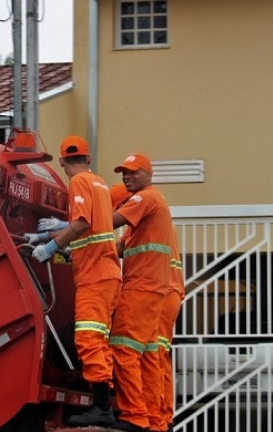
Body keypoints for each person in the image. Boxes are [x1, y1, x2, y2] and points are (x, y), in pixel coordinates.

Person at [29, 135, 122, 428]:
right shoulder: (101, 185)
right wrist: (48, 236)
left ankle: (102, 408)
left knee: (89, 339)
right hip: (106, 273)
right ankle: (103, 406)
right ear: (89, 159)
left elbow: (81, 224)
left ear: (62, 161)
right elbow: (93, 230)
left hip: (95, 276)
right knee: (97, 339)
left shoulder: (79, 183)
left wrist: (50, 248)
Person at [109, 154, 173, 432]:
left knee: (123, 348)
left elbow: (108, 221)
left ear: (148, 174)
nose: (126, 177)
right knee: (146, 354)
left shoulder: (145, 198)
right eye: (124, 173)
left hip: (141, 288)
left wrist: (71, 226)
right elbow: (117, 248)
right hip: (152, 290)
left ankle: (135, 415)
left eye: (133, 173)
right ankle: (153, 420)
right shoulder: (144, 216)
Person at [157, 228, 185, 432]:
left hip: (161, 292)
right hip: (168, 292)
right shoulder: (161, 221)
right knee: (160, 356)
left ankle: (159, 417)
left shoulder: (144, 208)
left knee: (153, 356)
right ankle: (164, 417)